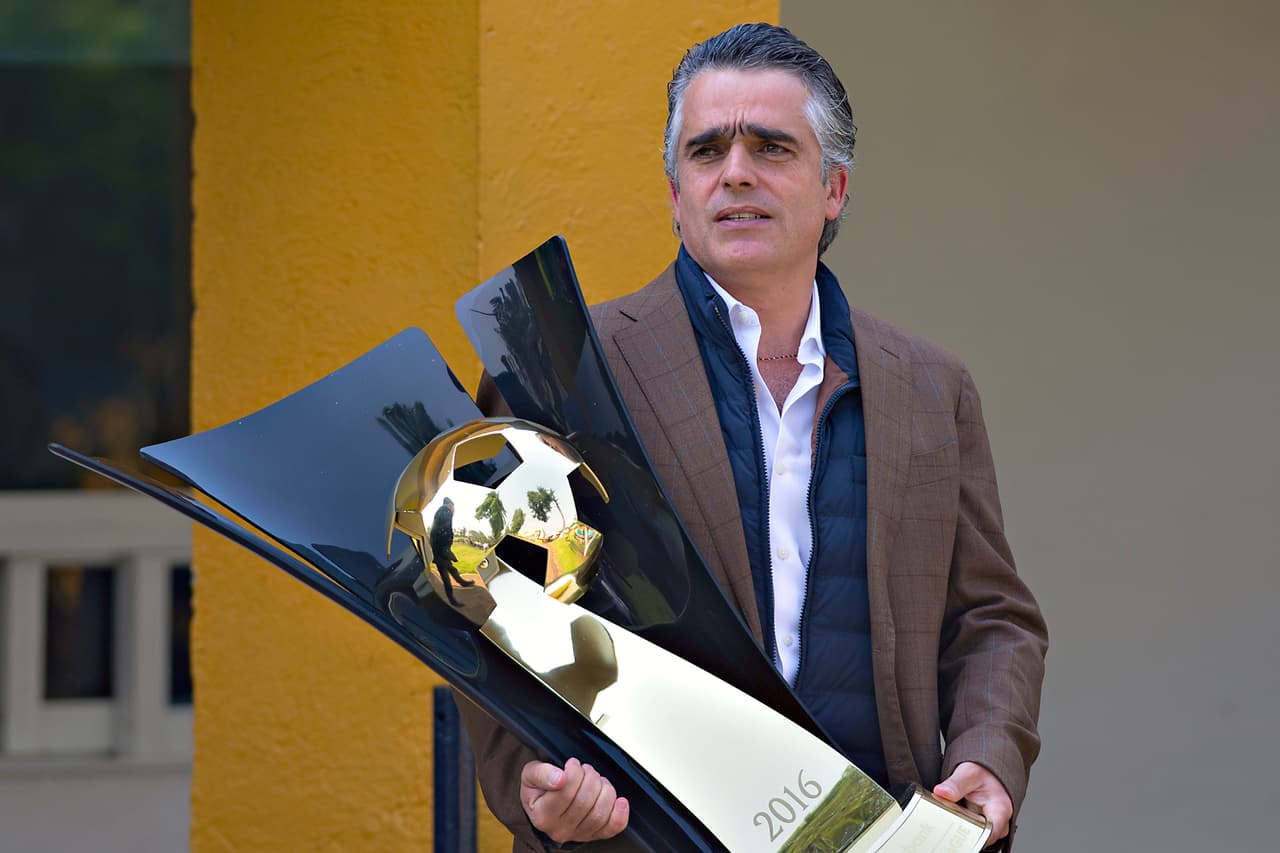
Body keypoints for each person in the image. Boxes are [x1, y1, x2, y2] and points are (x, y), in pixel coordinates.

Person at [459, 22, 1047, 851]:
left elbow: (993, 618)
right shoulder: (562, 366)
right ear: (675, 193)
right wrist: (530, 779)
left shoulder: (931, 388)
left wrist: (990, 755)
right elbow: (487, 610)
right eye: (707, 151)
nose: (736, 170)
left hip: (881, 833)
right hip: (642, 837)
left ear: (834, 188)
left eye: (772, 147)